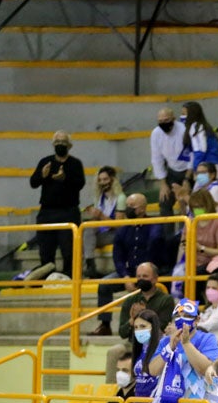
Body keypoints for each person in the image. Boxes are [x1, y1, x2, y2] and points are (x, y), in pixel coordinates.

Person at [90, 196, 168, 337]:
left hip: (150, 272)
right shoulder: (123, 229)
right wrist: (125, 276)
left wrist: (143, 276)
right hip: (130, 272)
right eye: (127, 205)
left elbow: (154, 248)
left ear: (143, 208)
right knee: (104, 285)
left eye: (132, 205)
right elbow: (117, 256)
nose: (128, 208)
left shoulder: (155, 225)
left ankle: (156, 324)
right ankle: (105, 324)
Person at [30, 129, 85, 276]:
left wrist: (64, 178)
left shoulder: (75, 164)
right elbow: (33, 183)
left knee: (69, 251)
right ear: (53, 144)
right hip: (47, 212)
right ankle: (47, 280)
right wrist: (43, 175)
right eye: (58, 142)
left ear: (69, 145)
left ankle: (70, 279)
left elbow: (80, 183)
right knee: (46, 251)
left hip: (69, 212)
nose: (60, 145)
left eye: (63, 142)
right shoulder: (45, 162)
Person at [82, 166, 125, 277]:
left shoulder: (120, 198)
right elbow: (97, 222)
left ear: (112, 179)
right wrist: (93, 215)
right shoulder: (99, 198)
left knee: (85, 239)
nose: (102, 183)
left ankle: (90, 267)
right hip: (102, 232)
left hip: (115, 232)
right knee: (84, 231)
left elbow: (118, 225)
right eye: (100, 180)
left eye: (105, 179)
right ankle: (90, 267)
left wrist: (100, 215)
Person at [150, 108, 190, 216]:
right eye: (160, 121)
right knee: (164, 201)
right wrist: (163, 184)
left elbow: (192, 155)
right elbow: (156, 159)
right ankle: (167, 233)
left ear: (173, 119)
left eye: (166, 120)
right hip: (172, 171)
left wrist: (186, 180)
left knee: (188, 202)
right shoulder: (156, 133)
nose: (164, 123)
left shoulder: (184, 130)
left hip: (189, 170)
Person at [181, 101, 218, 181]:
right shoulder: (202, 126)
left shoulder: (197, 127)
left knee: (204, 193)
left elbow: (200, 151)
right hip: (213, 167)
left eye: (184, 114)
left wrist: (196, 169)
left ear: (192, 114)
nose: (182, 116)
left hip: (208, 169)